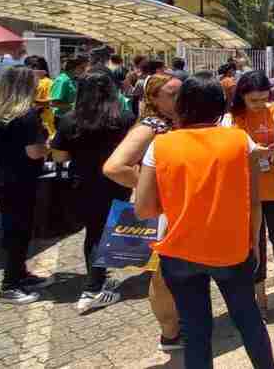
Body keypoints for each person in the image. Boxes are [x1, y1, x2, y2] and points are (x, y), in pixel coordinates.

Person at [134, 73, 274, 368]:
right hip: (231, 252)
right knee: (249, 322)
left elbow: (144, 209)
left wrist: (180, 200)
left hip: (179, 254)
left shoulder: (160, 146)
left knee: (196, 332)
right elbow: (254, 201)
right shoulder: (240, 140)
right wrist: (255, 246)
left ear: (183, 105)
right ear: (219, 107)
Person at [103, 74, 184, 351]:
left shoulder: (175, 122)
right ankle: (170, 334)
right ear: (153, 99)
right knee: (162, 275)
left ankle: (177, 324)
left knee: (176, 272)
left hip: (178, 209)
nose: (179, 98)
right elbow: (114, 167)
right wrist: (150, 186)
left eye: (181, 92)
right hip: (162, 211)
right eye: (172, 95)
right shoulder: (151, 126)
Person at [50, 70, 135, 314]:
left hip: (82, 183)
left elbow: (59, 155)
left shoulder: (69, 119)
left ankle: (96, 279)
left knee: (93, 232)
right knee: (108, 231)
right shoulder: (125, 118)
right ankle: (94, 286)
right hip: (116, 182)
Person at [227, 71, 274, 314]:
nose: (260, 104)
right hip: (249, 193)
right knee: (254, 246)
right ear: (242, 97)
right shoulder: (233, 119)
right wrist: (260, 152)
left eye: (263, 98)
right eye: (254, 101)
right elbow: (230, 155)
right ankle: (259, 299)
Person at [0, 66, 54, 303]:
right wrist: (48, 146)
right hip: (17, 179)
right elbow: (34, 153)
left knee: (14, 227)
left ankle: (19, 273)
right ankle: (9, 285)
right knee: (19, 230)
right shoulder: (26, 116)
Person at [23, 55, 56, 137]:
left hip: (43, 124)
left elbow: (50, 102)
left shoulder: (48, 82)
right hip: (38, 123)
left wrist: (32, 101)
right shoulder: (27, 82)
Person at [50, 56, 88, 121]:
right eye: (82, 68)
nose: (84, 70)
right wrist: (74, 105)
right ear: (73, 68)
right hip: (60, 118)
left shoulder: (74, 79)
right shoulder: (62, 80)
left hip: (70, 117)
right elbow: (53, 104)